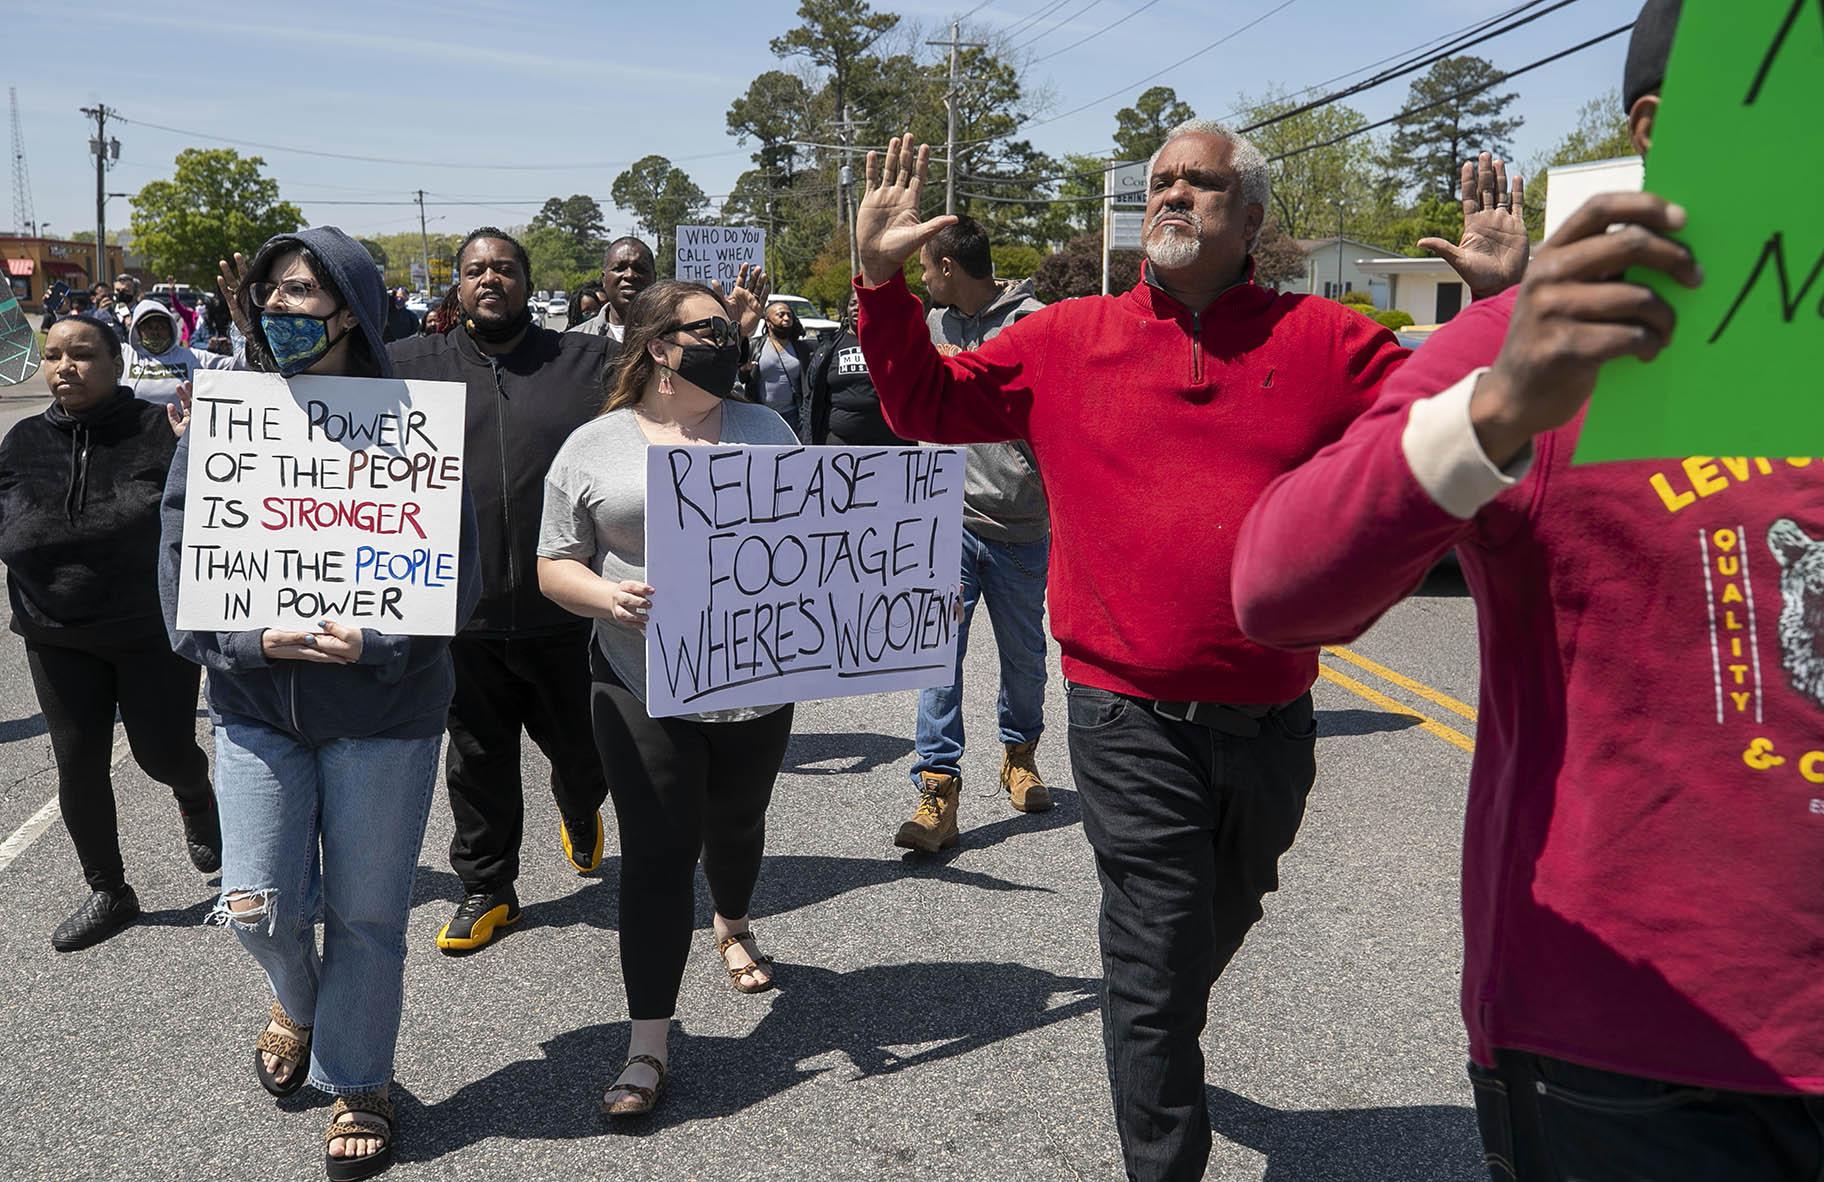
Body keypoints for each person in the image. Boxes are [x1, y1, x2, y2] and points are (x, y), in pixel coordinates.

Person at [851, 128, 1524, 1180]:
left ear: (1251, 218)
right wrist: (882, 282)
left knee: (1220, 914)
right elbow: (923, 404)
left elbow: (1454, 428)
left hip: (1272, 721)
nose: (1172, 194)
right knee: (1158, 951)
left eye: (1200, 183)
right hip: (1125, 716)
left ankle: (1146, 1022)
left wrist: (1499, 312)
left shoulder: (1329, 340)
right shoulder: (1066, 337)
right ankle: (1162, 1129)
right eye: (1161, 180)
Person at [1233, 5, 1824, 1177]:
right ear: (1668, 128)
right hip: (1640, 1062)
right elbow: (1277, 589)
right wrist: (1498, 411)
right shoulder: (1529, 357)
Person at [161, 225, 479, 1180]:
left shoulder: (416, 422)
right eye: (271, 292)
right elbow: (181, 562)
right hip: (257, 706)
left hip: (384, 715)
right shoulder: (230, 417)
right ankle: (297, 1001)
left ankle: (359, 1079)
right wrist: (247, 640)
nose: (281, 309)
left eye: (303, 291)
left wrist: (379, 638)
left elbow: (454, 574)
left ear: (352, 308)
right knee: (255, 906)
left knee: (369, 914)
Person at [538, 278, 794, 1119]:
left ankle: (732, 918)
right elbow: (554, 562)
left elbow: (819, 543)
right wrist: (608, 599)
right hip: (639, 680)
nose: (730, 340)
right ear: (657, 347)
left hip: (755, 682)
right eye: (708, 330)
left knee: (738, 820)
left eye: (730, 329)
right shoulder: (595, 445)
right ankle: (648, 1042)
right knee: (655, 854)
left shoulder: (768, 427)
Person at [388, 227, 614, 954]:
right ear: (457, 286)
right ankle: (489, 889)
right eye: (477, 269)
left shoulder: (585, 362)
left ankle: (581, 809)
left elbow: (672, 389)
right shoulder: (406, 367)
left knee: (585, 755)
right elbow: (317, 406)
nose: (492, 279)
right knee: (477, 757)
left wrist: (727, 337)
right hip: (464, 615)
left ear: (527, 281)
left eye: (506, 269)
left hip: (568, 610)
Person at [0, 316, 219, 952]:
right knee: (78, 766)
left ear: (118, 363)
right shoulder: (19, 443)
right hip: (54, 633)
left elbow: (207, 512)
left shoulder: (162, 431)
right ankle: (109, 890)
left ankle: (193, 790)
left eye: (82, 355)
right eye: (52, 356)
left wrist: (196, 452)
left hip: (149, 631)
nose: (64, 366)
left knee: (161, 752)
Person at [894, 216, 1052, 853]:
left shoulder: (1033, 323)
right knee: (938, 654)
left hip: (1020, 526)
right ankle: (938, 786)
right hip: (949, 524)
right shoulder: (932, 326)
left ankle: (1019, 754)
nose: (924, 277)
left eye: (927, 268)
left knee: (1024, 660)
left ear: (950, 268)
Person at [802, 291, 909, 447]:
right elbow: (811, 394)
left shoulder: (891, 344)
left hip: (886, 442)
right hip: (839, 442)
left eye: (864, 303)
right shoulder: (829, 347)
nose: (857, 308)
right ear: (846, 309)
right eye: (853, 304)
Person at [123, 296, 235, 410]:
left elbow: (239, 365)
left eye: (161, 327)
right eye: (149, 327)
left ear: (171, 329)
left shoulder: (192, 357)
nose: (155, 332)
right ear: (137, 331)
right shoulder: (125, 355)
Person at [568, 237, 656, 341]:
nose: (630, 275)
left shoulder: (675, 338)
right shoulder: (573, 342)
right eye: (619, 269)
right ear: (603, 279)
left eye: (640, 269)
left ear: (654, 278)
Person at [745, 299, 813, 431]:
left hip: (792, 416)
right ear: (768, 322)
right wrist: (745, 370)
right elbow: (741, 379)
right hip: (760, 414)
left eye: (789, 315)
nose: (787, 318)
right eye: (780, 315)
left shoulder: (801, 348)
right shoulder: (754, 346)